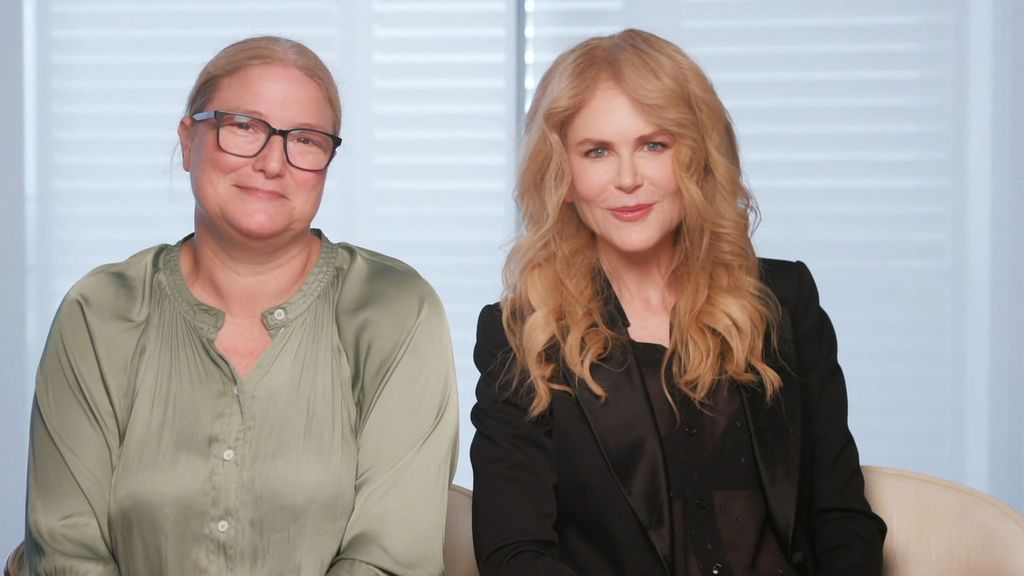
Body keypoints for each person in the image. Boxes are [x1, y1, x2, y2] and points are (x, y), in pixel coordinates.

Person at [24, 36, 458, 576]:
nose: (273, 162)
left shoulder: (399, 312)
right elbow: (65, 553)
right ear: (188, 141)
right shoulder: (97, 314)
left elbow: (389, 558)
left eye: (305, 139)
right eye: (245, 127)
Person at [470, 28, 886, 576]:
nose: (627, 179)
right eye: (597, 151)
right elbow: (514, 553)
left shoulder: (785, 302)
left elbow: (841, 519)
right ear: (564, 176)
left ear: (696, 158)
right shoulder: (522, 334)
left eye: (654, 145)